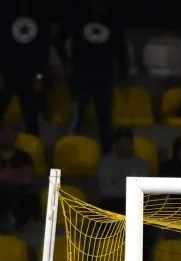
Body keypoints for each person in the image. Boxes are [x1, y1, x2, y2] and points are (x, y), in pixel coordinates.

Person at [54, 0, 129, 151]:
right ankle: (69, 153)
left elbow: (121, 50)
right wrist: (65, 62)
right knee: (76, 120)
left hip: (104, 79)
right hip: (80, 78)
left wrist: (123, 75)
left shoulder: (113, 22)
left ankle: (107, 158)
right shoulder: (78, 18)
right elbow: (58, 40)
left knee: (105, 121)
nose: (99, 5)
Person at [0, 0, 50, 136]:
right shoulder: (6, 15)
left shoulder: (40, 17)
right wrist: (2, 73)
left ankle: (32, 151)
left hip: (30, 78)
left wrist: (39, 77)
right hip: (8, 75)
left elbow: (44, 51)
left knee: (31, 118)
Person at [97, 127, 148, 213]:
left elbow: (142, 190)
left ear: (132, 144)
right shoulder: (105, 163)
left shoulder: (141, 164)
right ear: (115, 144)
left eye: (127, 141)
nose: (124, 144)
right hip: (113, 204)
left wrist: (116, 183)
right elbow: (106, 190)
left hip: (135, 204)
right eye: (120, 141)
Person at [0, 126, 35, 230]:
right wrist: (16, 173)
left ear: (15, 137)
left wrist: (3, 175)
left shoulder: (24, 156)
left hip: (18, 195)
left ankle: (10, 220)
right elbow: (21, 175)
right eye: (3, 134)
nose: (6, 137)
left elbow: (26, 179)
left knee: (31, 200)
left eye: (10, 134)